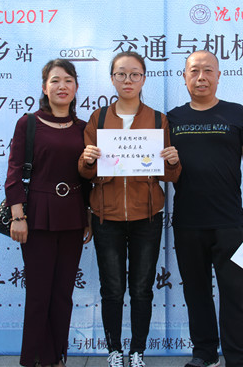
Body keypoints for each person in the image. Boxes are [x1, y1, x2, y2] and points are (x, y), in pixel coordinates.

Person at [167, 50, 243, 367]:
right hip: (188, 221)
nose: (201, 77)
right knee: (196, 292)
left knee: (234, 292)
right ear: (184, 77)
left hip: (229, 221)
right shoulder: (172, 119)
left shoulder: (236, 113)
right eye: (194, 71)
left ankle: (238, 357)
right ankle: (204, 353)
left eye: (208, 70)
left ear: (218, 76)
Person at [79, 51, 181, 367]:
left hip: (146, 218)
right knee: (111, 289)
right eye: (121, 74)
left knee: (141, 289)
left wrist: (173, 161)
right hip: (105, 217)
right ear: (112, 79)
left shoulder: (158, 120)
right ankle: (114, 349)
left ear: (143, 79)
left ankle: (137, 350)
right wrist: (87, 159)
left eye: (134, 74)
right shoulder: (98, 119)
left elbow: (169, 175)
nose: (128, 80)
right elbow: (85, 173)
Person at [5, 59, 91, 367]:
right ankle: (33, 358)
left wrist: (88, 216)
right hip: (36, 215)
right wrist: (18, 217)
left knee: (63, 293)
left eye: (68, 80)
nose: (62, 86)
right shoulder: (28, 123)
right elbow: (14, 172)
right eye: (55, 80)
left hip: (73, 215)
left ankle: (56, 357)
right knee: (39, 292)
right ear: (45, 87)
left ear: (76, 87)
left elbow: (88, 176)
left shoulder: (84, 128)